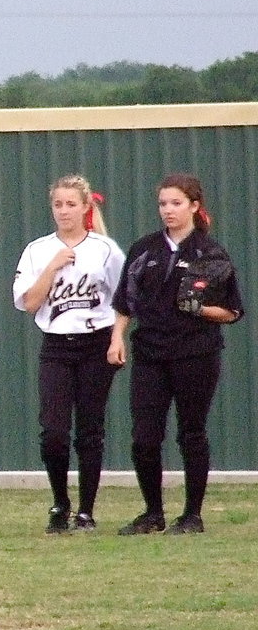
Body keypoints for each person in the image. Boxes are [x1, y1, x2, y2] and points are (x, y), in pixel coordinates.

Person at [109, 174, 244, 535]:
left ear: (194, 206)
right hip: (151, 352)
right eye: (163, 204)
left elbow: (232, 312)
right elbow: (125, 302)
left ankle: (192, 515)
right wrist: (117, 337)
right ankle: (152, 512)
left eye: (176, 203)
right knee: (144, 436)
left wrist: (199, 308)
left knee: (191, 433)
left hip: (196, 353)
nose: (167, 210)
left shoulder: (210, 253)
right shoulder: (144, 250)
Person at [12, 175, 124, 533]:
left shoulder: (105, 249)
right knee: (54, 432)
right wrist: (53, 266)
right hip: (57, 345)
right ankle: (60, 503)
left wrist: (118, 338)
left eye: (70, 204)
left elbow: (124, 300)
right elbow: (29, 303)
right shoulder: (38, 250)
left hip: (95, 342)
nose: (63, 211)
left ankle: (86, 510)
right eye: (58, 204)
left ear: (85, 207)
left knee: (90, 429)